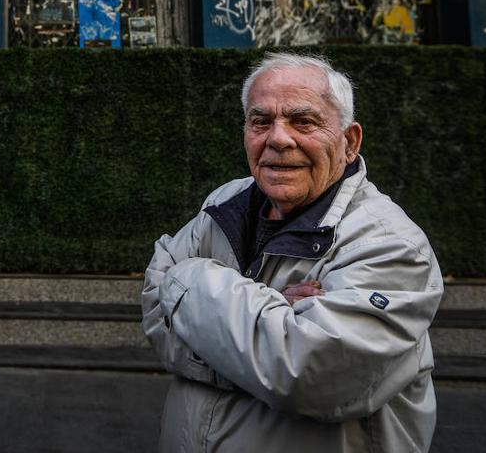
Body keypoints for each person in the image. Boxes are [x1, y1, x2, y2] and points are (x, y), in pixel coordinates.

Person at [142, 52, 443, 452]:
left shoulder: (391, 244)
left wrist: (193, 281)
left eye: (304, 121)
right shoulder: (226, 201)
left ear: (349, 141)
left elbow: (306, 374)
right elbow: (152, 307)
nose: (278, 138)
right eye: (260, 121)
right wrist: (268, 316)